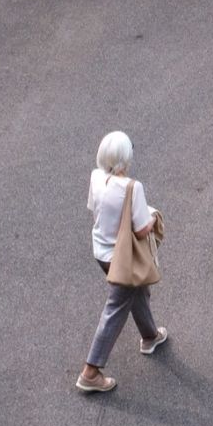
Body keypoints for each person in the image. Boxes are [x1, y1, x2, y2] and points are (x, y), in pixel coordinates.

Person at [77, 131, 167, 393]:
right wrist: (152, 217)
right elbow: (140, 230)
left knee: (137, 290)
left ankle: (150, 336)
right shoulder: (132, 187)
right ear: (125, 158)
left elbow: (95, 208)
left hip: (101, 252)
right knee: (116, 307)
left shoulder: (96, 177)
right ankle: (90, 371)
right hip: (122, 258)